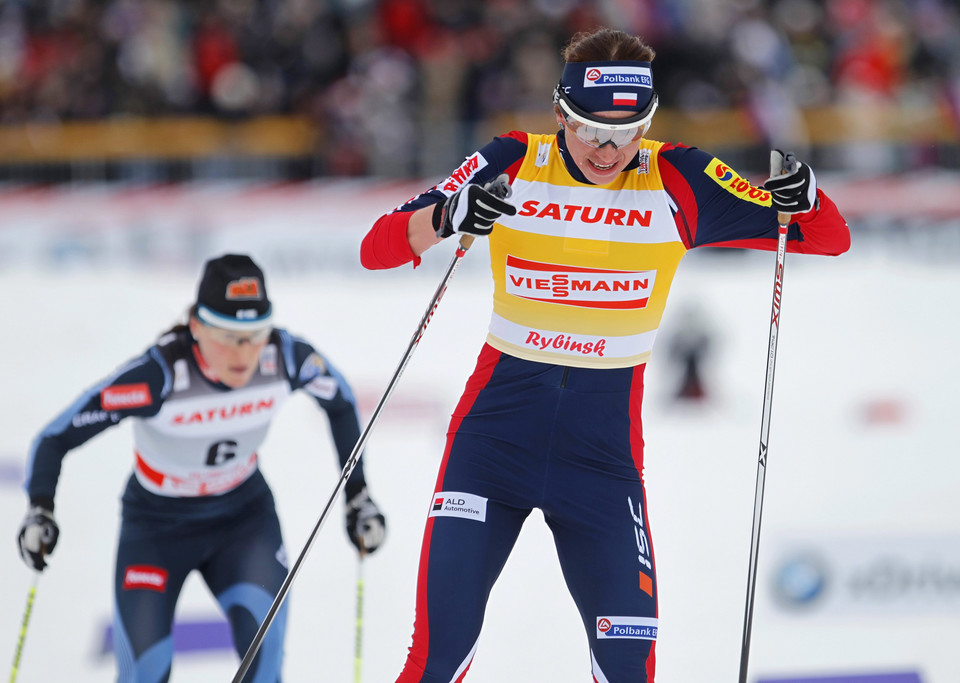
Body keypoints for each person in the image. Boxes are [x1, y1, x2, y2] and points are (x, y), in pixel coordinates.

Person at [360, 26, 849, 683]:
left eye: (627, 131)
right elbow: (380, 247)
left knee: (627, 667)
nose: (607, 148)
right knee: (436, 657)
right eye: (590, 129)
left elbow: (826, 237)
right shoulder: (512, 159)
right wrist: (449, 216)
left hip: (600, 464)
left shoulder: (680, 178)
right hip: (490, 446)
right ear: (561, 113)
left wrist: (806, 195)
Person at [17, 253, 387, 682]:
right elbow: (54, 437)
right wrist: (40, 507)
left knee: (264, 663)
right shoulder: (159, 377)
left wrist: (357, 495)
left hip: (243, 522)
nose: (243, 352)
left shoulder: (285, 358)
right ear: (196, 326)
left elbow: (341, 403)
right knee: (144, 672)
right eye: (227, 336)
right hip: (155, 529)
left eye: (254, 335)